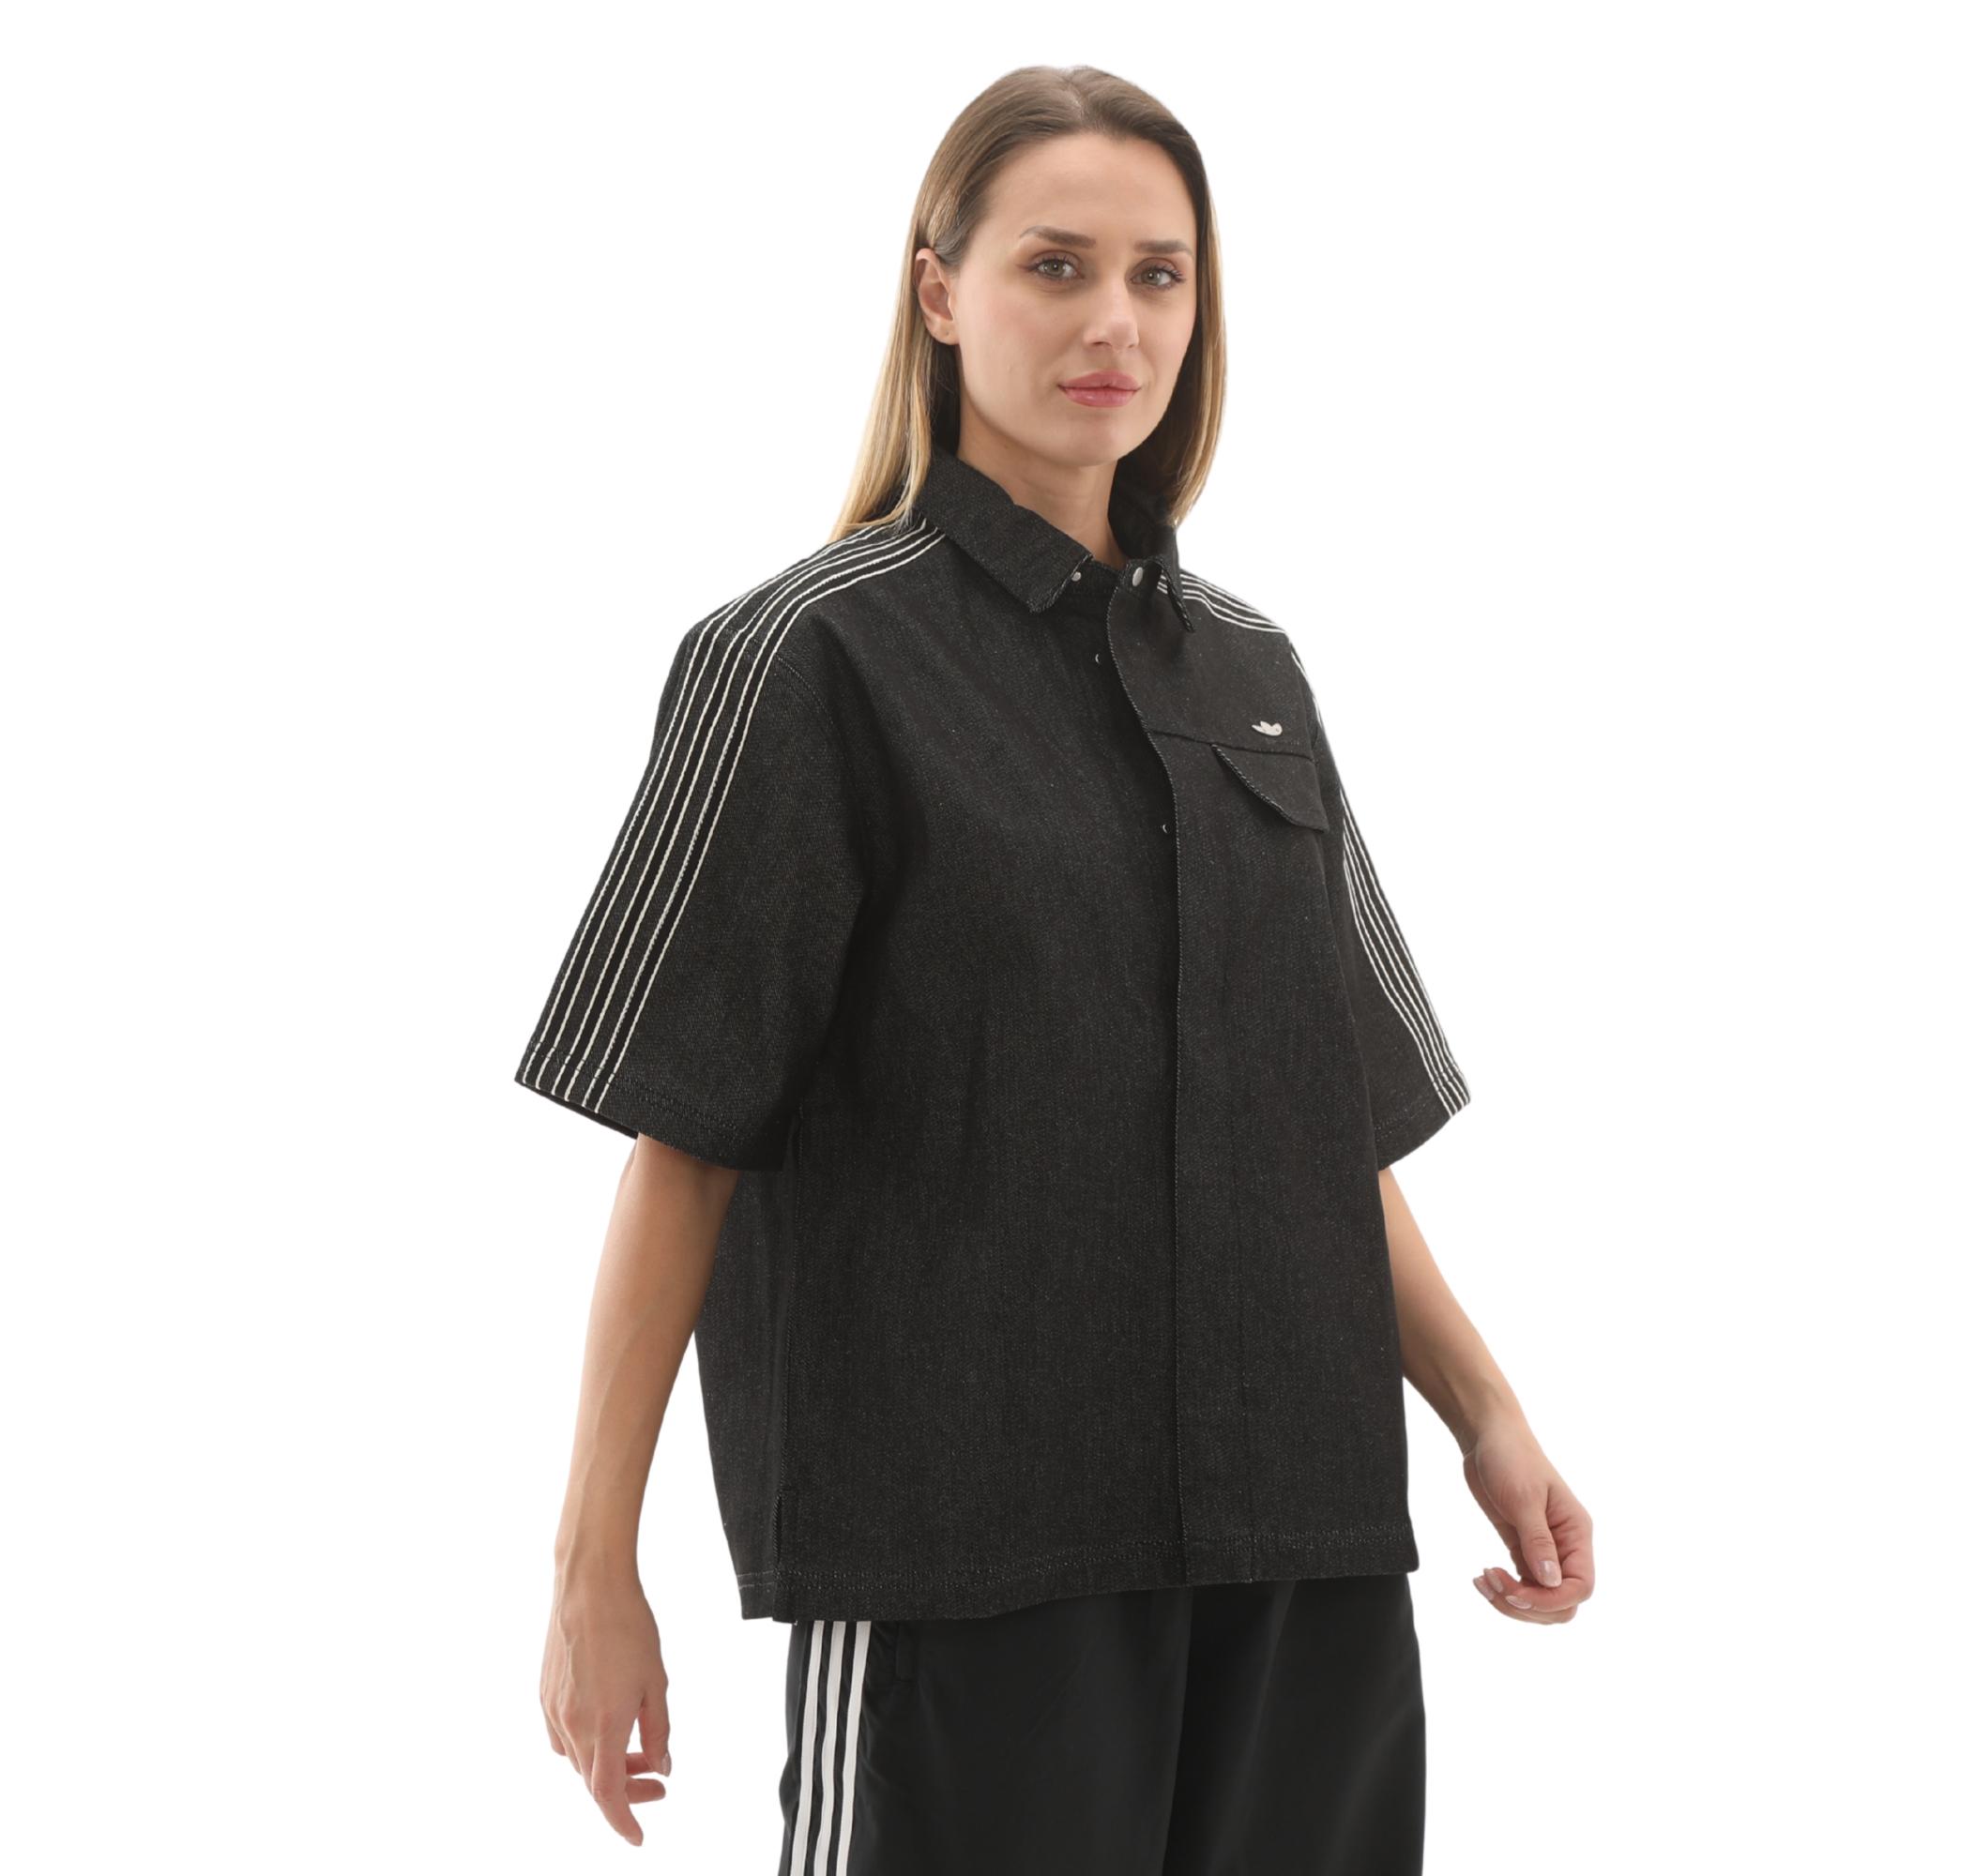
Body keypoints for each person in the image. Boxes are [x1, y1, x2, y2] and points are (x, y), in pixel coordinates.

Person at [520, 63, 1595, 1874]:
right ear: (939, 292)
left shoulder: (1250, 671)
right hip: (967, 1555)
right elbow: (685, 1137)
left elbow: (1321, 1125)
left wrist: (1486, 1417)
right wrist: (589, 1569)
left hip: (1302, 1543)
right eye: (1056, 266)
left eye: (1159, 275)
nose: (1116, 321)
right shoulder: (808, 660)